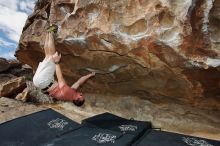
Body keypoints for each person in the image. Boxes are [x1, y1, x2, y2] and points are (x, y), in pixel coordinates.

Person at [33, 26, 95, 106]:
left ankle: (51, 32)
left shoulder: (68, 93)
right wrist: (90, 75)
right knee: (48, 55)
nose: (81, 94)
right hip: (40, 82)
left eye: (81, 96)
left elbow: (60, 79)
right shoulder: (71, 93)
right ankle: (48, 33)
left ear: (77, 99)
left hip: (44, 81)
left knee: (52, 54)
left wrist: (57, 63)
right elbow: (79, 82)